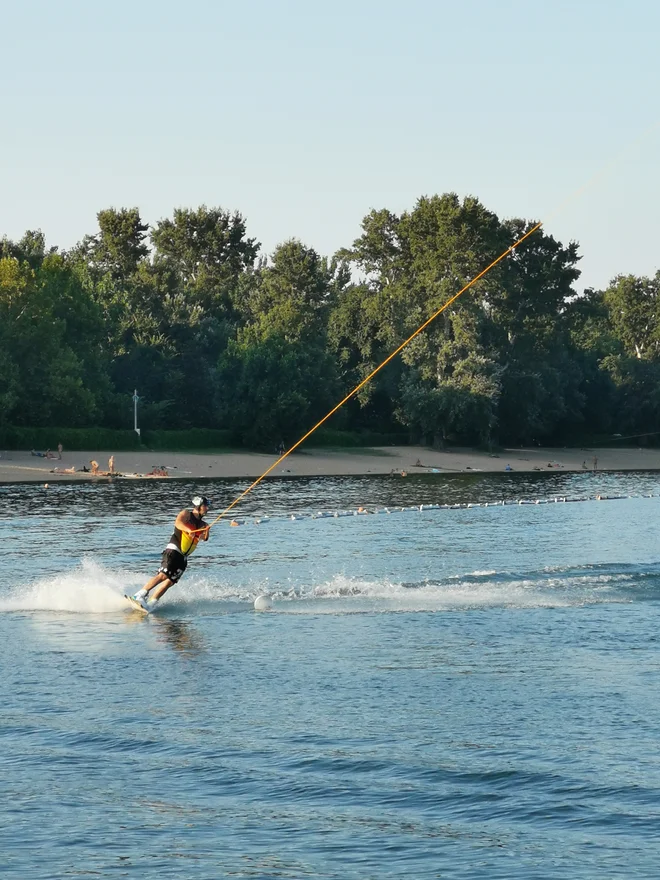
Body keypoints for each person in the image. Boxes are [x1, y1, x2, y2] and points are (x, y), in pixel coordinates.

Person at [131, 496, 211, 610]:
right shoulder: (186, 514)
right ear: (198, 506)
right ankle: (140, 594)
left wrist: (206, 531)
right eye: (205, 506)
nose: (207, 508)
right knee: (163, 575)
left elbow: (204, 538)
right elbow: (178, 523)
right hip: (174, 549)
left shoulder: (203, 524)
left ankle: (151, 604)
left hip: (183, 556)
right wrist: (189, 530)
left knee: (170, 581)